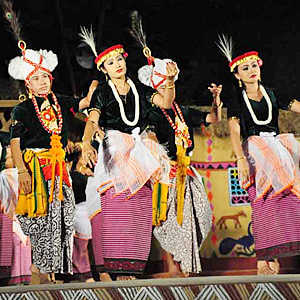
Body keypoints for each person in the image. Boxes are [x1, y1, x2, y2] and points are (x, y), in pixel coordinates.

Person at [79, 26, 176, 281]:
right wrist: (86, 144)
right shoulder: (101, 93)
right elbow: (92, 119)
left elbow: (165, 102)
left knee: (140, 209)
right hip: (115, 151)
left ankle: (134, 268)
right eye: (110, 62)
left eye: (119, 59)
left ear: (125, 59)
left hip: (141, 150)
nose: (117, 64)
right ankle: (118, 270)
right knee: (118, 207)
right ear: (104, 69)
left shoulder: (141, 89)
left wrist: (169, 81)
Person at [6, 24, 92, 282]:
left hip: (60, 170)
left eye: (45, 77)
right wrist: (22, 171)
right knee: (39, 218)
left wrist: (96, 84)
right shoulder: (22, 110)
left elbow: (84, 104)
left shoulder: (62, 102)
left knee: (63, 217)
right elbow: (15, 143)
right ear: (28, 83)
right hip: (35, 168)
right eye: (36, 79)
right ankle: (39, 271)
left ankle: (57, 271)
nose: (42, 82)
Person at [216, 34, 300, 275]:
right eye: (245, 68)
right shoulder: (237, 99)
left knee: (288, 199)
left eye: (254, 65)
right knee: (263, 203)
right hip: (254, 151)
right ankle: (264, 258)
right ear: (237, 74)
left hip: (278, 148)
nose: (251, 70)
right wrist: (240, 159)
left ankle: (277, 255)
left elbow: (296, 106)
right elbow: (233, 129)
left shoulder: (272, 94)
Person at [138, 57, 222, 275]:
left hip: (187, 170)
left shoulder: (182, 110)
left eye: (170, 83)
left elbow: (213, 118)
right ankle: (173, 268)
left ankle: (188, 264)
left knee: (199, 216)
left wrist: (215, 100)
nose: (167, 87)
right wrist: (170, 80)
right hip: (165, 171)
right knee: (170, 221)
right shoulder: (150, 105)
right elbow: (165, 102)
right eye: (164, 84)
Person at [0, 136, 32, 286]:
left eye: (10, 156)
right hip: (25, 219)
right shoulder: (28, 175)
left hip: (11, 218)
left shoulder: (6, 175)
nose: (8, 159)